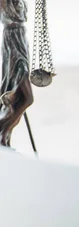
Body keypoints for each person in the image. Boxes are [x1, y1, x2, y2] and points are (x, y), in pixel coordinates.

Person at [0, 0, 33, 147]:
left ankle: (5, 136)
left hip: (21, 40)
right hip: (12, 41)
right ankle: (4, 131)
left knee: (21, 99)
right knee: (28, 98)